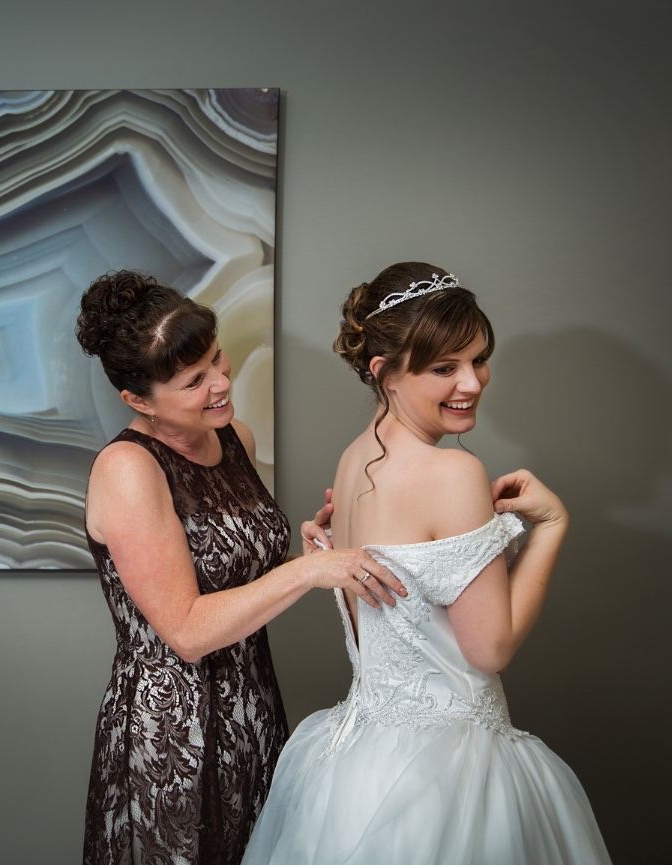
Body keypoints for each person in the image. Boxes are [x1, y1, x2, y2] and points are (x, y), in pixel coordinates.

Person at [241, 262, 611, 864]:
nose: (472, 382)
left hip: (353, 768)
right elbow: (490, 650)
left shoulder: (353, 461)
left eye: (479, 359)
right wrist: (551, 526)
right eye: (444, 368)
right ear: (384, 372)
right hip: (444, 778)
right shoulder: (453, 473)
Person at [75, 270, 407, 865]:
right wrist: (305, 575)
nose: (221, 383)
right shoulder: (128, 469)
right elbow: (187, 630)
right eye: (193, 381)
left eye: (217, 358)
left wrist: (310, 552)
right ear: (138, 400)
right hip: (172, 734)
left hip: (255, 715)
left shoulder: (235, 440)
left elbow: (236, 577)